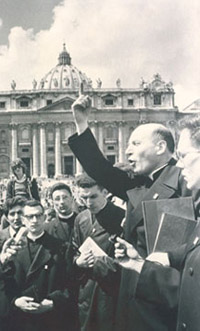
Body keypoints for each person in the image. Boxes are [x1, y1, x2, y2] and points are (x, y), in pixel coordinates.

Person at [68, 95, 192, 330]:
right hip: (132, 299)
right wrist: (82, 123)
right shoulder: (139, 184)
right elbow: (101, 170)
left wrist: (171, 257)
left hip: (165, 303)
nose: (127, 151)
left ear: (160, 146)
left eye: (135, 144)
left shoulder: (185, 183)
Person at [115, 114, 200, 331]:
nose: (179, 164)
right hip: (147, 292)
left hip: (163, 307)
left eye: (183, 155)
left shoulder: (180, 184)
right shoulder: (144, 184)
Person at [9, 199, 79, 331]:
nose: (34, 220)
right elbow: (6, 284)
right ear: (23, 220)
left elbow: (72, 283)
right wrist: (16, 301)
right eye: (30, 216)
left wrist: (53, 302)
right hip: (22, 319)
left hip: (52, 319)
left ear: (44, 217)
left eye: (38, 215)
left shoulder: (61, 247)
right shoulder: (13, 249)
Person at [73, 174, 125, 331]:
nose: (88, 203)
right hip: (86, 292)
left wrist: (97, 262)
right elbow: (73, 251)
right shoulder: (80, 218)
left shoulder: (122, 218)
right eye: (83, 198)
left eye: (93, 197)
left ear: (105, 192)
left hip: (110, 293)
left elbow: (127, 261)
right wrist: (78, 261)